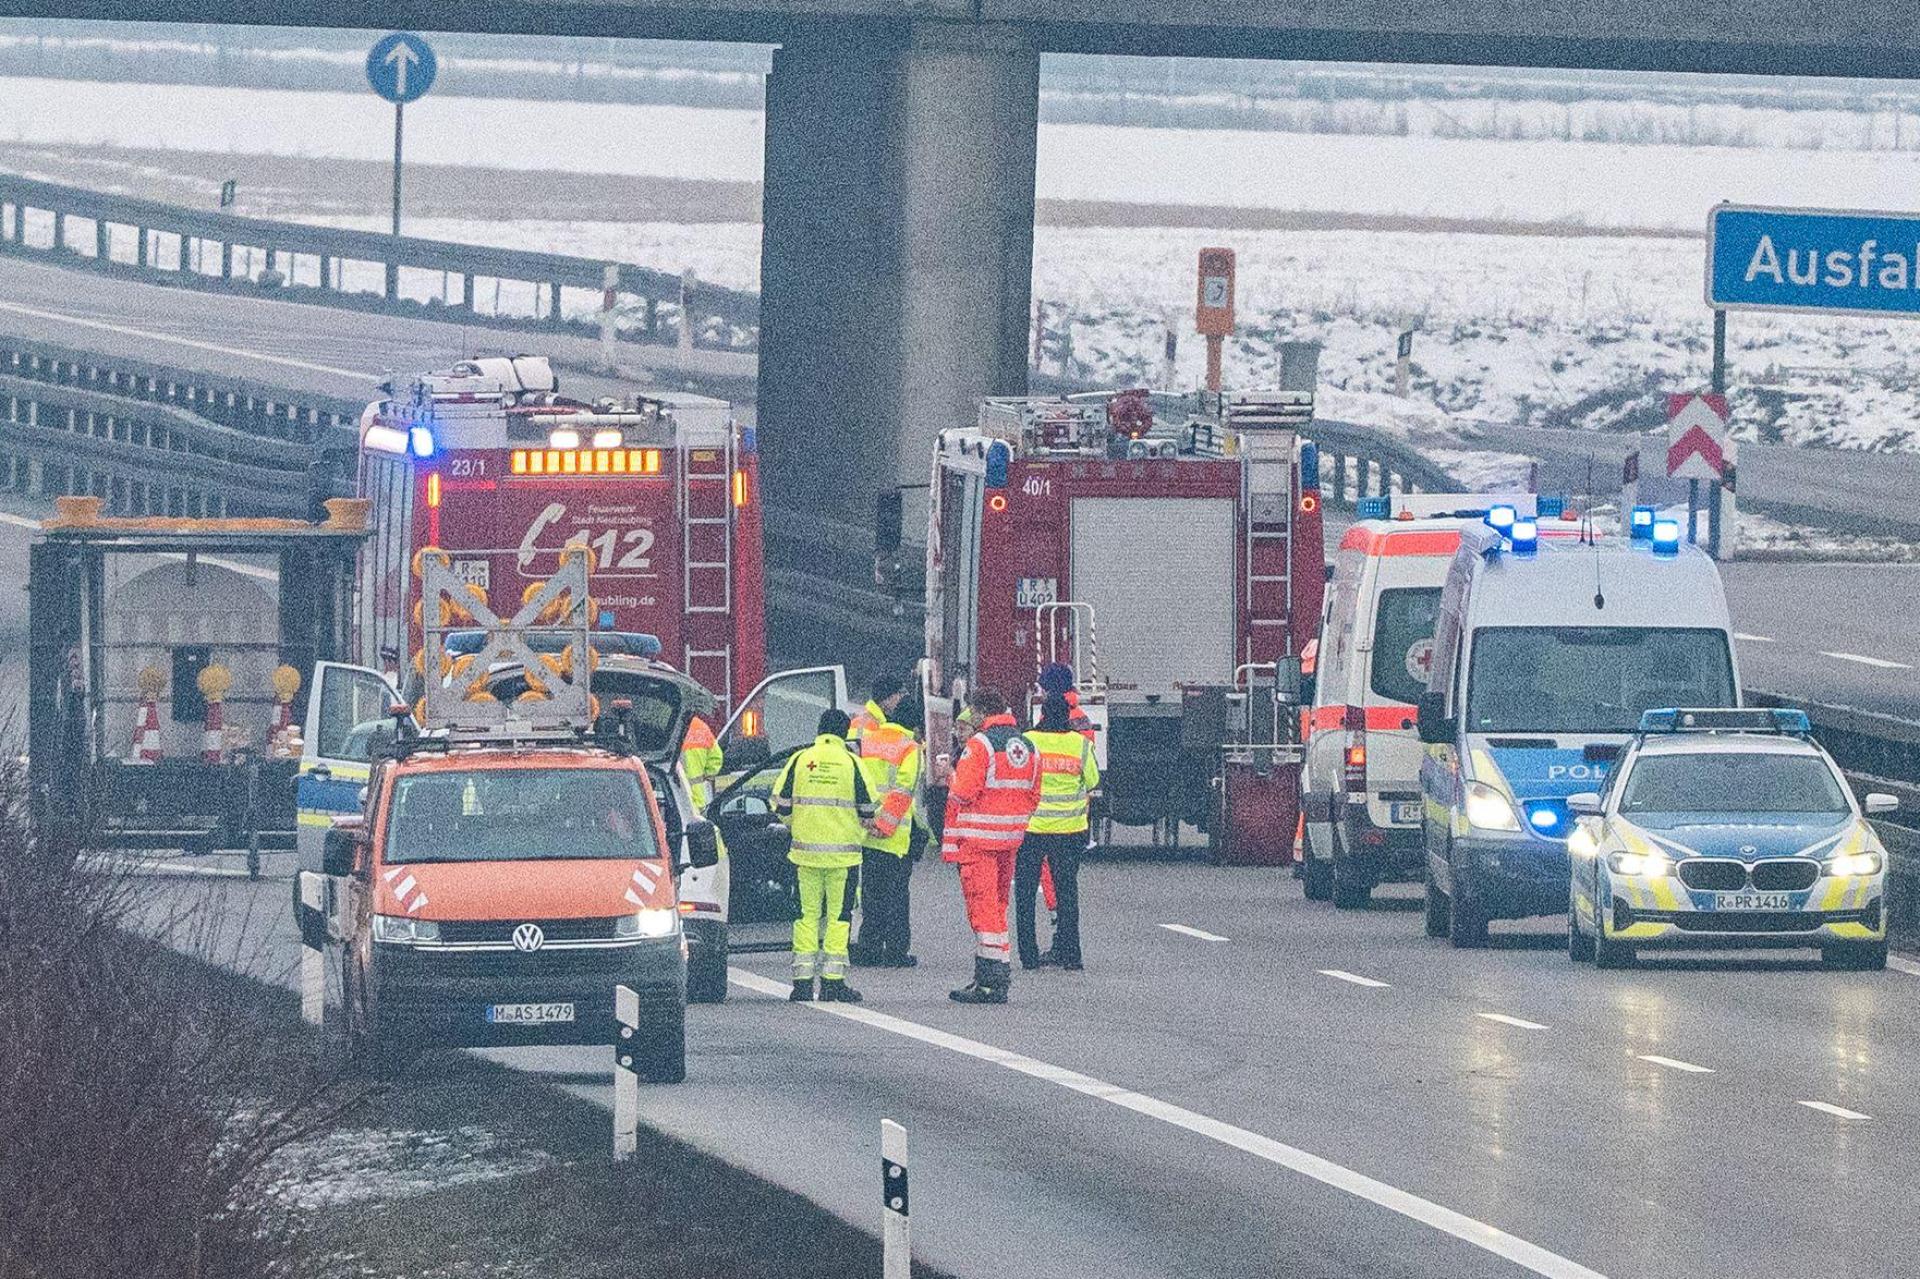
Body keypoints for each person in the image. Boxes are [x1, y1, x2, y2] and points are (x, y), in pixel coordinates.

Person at [942, 688, 1042, 1004]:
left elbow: (963, 792)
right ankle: (994, 976)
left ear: (983, 712)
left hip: (978, 841)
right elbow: (1034, 794)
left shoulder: (980, 745)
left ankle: (990, 981)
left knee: (983, 911)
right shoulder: (1028, 746)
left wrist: (950, 776)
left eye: (972, 710)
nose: (969, 716)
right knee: (997, 909)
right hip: (1011, 839)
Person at [772, 709, 875, 1003]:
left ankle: (802, 983)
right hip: (843, 858)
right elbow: (869, 808)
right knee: (838, 918)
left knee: (805, 917)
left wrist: (800, 826)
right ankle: (832, 982)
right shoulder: (852, 763)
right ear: (844, 734)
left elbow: (780, 803)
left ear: (819, 730)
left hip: (804, 856)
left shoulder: (800, 760)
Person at [1017, 694, 1100, 971]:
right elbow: (1093, 780)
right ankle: (1071, 955)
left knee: (1026, 894)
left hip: (1032, 829)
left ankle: (1028, 956)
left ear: (1041, 714)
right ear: (1068, 716)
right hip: (1069, 830)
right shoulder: (1080, 745)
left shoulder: (1029, 741)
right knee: (1067, 893)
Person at [850, 691, 924, 968]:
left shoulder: (869, 740)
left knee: (871, 893)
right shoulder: (909, 748)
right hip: (894, 837)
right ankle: (895, 950)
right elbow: (904, 791)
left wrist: (868, 822)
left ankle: (869, 947)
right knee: (896, 896)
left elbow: (857, 781)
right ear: (915, 725)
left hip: (866, 832)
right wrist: (886, 825)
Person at [680, 714, 724, 814]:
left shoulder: (671, 728)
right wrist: (707, 775)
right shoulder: (700, 727)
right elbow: (717, 757)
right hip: (700, 798)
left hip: (678, 797)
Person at [850, 670, 909, 740]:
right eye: (897, 694)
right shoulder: (868, 724)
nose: (899, 698)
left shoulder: (875, 720)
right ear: (887, 699)